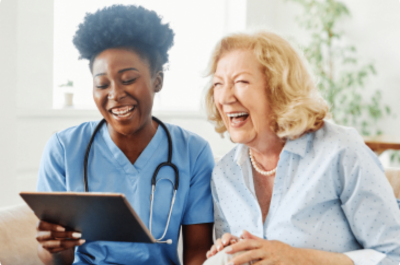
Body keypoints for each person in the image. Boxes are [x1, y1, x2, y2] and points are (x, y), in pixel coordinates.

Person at [35, 5, 214, 265]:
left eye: (128, 79)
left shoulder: (193, 152)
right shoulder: (63, 148)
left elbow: (198, 253)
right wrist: (51, 247)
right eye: (102, 84)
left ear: (157, 80)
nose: (115, 94)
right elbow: (57, 260)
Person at [203, 31, 400, 265]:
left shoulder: (341, 152)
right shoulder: (225, 174)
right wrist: (233, 252)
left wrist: (301, 258)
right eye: (218, 84)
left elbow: (393, 255)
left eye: (241, 82)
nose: (225, 97)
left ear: (278, 89)